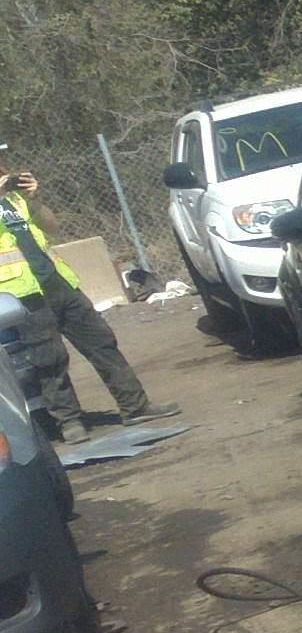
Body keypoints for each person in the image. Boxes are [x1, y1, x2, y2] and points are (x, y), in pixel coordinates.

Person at [0, 163, 177, 447]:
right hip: (23, 294)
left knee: (102, 342)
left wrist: (35, 199)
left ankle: (136, 407)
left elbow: (51, 227)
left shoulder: (16, 199)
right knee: (49, 359)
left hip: (59, 282)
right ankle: (69, 422)